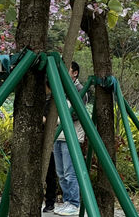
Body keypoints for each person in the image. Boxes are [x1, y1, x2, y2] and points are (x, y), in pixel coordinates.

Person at [53, 61, 86, 217]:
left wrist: (56, 118)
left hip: (71, 137)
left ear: (75, 73)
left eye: (68, 71)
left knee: (69, 172)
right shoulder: (60, 88)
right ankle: (67, 201)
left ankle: (74, 203)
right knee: (60, 172)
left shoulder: (80, 90)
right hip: (58, 135)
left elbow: (74, 114)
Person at [43, 82, 59, 213]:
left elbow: (52, 120)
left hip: (50, 141)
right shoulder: (43, 99)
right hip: (42, 139)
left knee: (50, 174)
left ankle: (50, 202)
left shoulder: (52, 100)